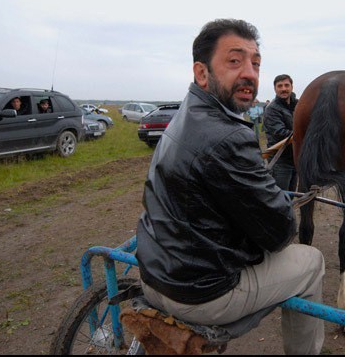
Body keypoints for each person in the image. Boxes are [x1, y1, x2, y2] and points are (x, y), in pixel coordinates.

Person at [136, 19, 325, 355]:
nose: (250, 73)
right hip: (199, 294)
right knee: (311, 261)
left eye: (255, 63)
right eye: (235, 61)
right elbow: (280, 234)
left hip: (152, 274)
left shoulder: (185, 113)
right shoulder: (230, 135)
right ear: (202, 72)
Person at [263, 74, 298, 192]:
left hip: (294, 158)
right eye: (280, 86)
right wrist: (304, 133)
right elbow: (280, 133)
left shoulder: (297, 105)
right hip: (279, 160)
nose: (284, 88)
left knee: (291, 196)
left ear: (292, 87)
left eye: (286, 85)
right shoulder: (272, 109)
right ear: (275, 89)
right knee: (280, 197)